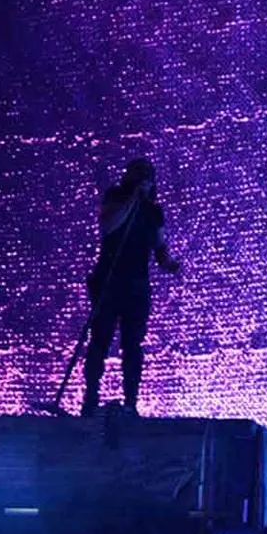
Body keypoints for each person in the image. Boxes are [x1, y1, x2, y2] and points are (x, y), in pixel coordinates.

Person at [81, 158, 180, 417]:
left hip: (136, 285)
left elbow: (159, 246)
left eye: (147, 176)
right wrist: (132, 200)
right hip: (109, 281)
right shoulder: (115, 197)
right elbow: (107, 227)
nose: (142, 180)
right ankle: (90, 397)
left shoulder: (154, 211)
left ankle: (131, 402)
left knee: (132, 345)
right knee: (100, 339)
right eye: (138, 175)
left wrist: (168, 263)